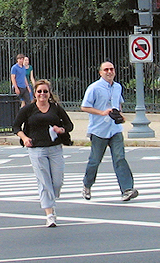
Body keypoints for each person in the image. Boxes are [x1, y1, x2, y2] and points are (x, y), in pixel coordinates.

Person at [13, 79, 73, 227]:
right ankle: (49, 215)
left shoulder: (56, 108)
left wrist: (61, 130)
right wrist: (25, 138)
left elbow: (69, 124)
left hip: (55, 148)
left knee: (57, 181)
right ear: (35, 93)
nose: (42, 94)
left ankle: (51, 201)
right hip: (36, 149)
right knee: (44, 182)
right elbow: (15, 126)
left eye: (45, 91)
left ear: (49, 93)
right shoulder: (28, 109)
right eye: (39, 91)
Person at [80, 61, 139, 202]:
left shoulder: (117, 87)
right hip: (99, 130)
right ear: (100, 72)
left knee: (120, 158)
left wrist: (120, 115)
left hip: (115, 129)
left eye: (111, 69)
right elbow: (84, 107)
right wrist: (101, 113)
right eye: (106, 69)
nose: (109, 72)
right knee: (95, 160)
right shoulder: (94, 88)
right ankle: (87, 185)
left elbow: (118, 104)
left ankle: (127, 189)